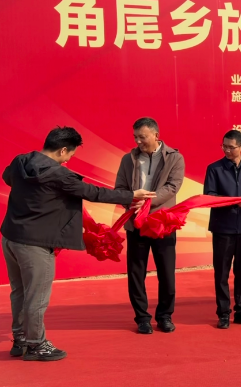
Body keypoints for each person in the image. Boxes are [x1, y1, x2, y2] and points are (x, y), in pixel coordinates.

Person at [2, 127, 154, 361]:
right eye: (70, 155)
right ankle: (36, 345)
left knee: (20, 292)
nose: (68, 160)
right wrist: (132, 195)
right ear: (63, 150)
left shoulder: (21, 161)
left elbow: (7, 178)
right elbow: (94, 193)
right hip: (36, 244)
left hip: (11, 237)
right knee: (37, 296)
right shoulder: (59, 175)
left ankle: (21, 338)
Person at [115, 117, 185, 334]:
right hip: (136, 222)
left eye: (142, 137)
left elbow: (173, 186)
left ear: (156, 135)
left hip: (162, 222)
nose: (138, 141)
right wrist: (131, 202)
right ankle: (142, 318)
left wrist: (146, 202)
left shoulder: (175, 158)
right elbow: (120, 188)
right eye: (135, 137)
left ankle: (165, 316)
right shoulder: (128, 159)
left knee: (167, 273)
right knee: (136, 273)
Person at [203, 130, 241, 329]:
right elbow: (210, 197)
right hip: (222, 228)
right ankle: (223, 313)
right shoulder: (214, 169)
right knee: (222, 273)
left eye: (231, 147)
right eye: (224, 146)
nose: (227, 150)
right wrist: (235, 203)